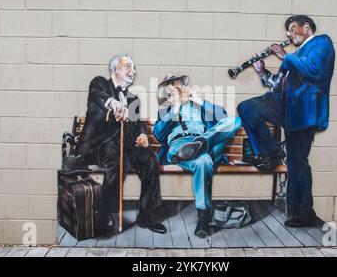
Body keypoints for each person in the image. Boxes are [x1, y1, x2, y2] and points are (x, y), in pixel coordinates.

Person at [237, 15, 335, 227]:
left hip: (304, 112)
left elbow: (313, 70)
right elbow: (278, 85)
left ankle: (302, 213)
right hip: (286, 106)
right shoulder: (297, 55)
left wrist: (284, 56)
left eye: (292, 29)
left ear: (306, 27)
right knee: (247, 108)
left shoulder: (322, 43)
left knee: (297, 163)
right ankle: (272, 151)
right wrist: (263, 73)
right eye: (288, 31)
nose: (289, 34)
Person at [75, 54, 166, 234]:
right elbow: (97, 95)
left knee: (150, 160)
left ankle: (146, 216)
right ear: (114, 70)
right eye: (128, 67)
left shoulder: (133, 100)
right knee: (116, 158)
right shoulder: (100, 83)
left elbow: (137, 123)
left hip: (125, 147)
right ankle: (103, 214)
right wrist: (112, 103)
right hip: (100, 146)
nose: (133, 71)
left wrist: (142, 134)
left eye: (134, 68)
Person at [153, 74, 241, 238]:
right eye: (175, 86)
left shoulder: (200, 108)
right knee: (204, 160)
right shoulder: (165, 111)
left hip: (204, 143)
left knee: (235, 121)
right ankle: (203, 220)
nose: (181, 88)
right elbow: (158, 134)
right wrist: (176, 108)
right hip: (179, 148)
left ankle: (202, 142)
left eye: (181, 85)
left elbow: (223, 117)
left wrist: (199, 101)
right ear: (169, 95)